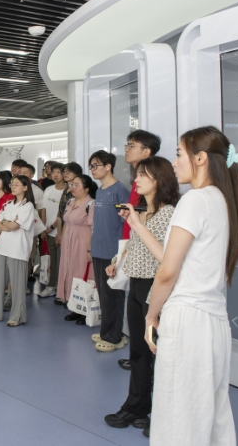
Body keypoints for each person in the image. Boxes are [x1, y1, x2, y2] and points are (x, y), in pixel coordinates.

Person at [145, 126, 238, 445]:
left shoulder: (194, 201)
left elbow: (167, 272)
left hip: (187, 321)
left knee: (178, 419)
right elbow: (176, 260)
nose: (174, 162)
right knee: (211, 416)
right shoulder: (222, 200)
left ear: (200, 158)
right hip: (214, 322)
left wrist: (151, 314)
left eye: (179, 154)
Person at [102, 157, 179, 434]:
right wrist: (117, 261)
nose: (136, 180)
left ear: (159, 179)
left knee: (160, 353)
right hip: (136, 285)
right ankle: (136, 406)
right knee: (138, 351)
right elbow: (136, 247)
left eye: (143, 175)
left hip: (155, 288)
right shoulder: (142, 212)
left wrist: (138, 224)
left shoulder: (169, 214)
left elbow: (167, 258)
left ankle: (163, 415)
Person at [0, 175, 36, 326]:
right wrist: (8, 223)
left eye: (17, 184)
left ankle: (17, 316)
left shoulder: (28, 206)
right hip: (2, 248)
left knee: (17, 285)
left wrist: (7, 224)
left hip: (18, 250)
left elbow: (14, 226)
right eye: (12, 184)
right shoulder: (8, 204)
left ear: (25, 187)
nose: (13, 186)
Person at [89, 150, 131, 351]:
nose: (92, 170)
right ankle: (107, 330)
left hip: (112, 251)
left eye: (96, 165)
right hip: (98, 248)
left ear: (108, 166)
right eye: (91, 166)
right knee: (103, 294)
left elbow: (126, 223)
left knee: (113, 295)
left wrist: (120, 254)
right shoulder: (100, 191)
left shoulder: (119, 190)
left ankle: (114, 337)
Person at [56, 174, 96, 311]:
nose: (73, 187)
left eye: (77, 185)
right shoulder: (70, 202)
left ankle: (83, 307)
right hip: (68, 241)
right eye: (72, 184)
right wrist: (62, 239)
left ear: (86, 189)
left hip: (82, 242)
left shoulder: (91, 204)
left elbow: (93, 228)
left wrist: (90, 248)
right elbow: (66, 222)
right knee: (68, 269)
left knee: (80, 271)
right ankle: (70, 300)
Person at [54, 162, 84, 305]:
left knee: (76, 266)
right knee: (64, 264)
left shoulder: (82, 193)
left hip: (78, 233)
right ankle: (64, 293)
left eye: (68, 172)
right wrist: (60, 233)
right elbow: (61, 214)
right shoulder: (66, 190)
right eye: (64, 171)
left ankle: (74, 296)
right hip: (66, 229)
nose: (65, 174)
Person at [122, 131, 161, 240]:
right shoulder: (137, 180)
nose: (126, 149)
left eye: (131, 146)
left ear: (146, 151)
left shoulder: (152, 181)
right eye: (127, 145)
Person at [38, 162, 65, 298]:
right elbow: (44, 210)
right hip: (48, 232)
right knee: (52, 261)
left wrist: (52, 228)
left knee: (62, 261)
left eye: (58, 172)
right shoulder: (48, 190)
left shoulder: (67, 191)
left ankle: (62, 288)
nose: (55, 175)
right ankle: (51, 286)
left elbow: (63, 214)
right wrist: (43, 228)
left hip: (61, 232)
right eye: (53, 172)